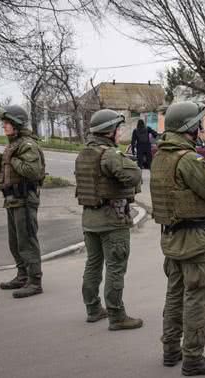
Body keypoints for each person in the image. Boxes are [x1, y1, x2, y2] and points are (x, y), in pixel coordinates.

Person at [150, 101, 205, 376]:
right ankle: (193, 358)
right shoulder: (187, 159)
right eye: (198, 124)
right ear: (189, 128)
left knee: (174, 296)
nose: (200, 129)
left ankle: (171, 350)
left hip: (171, 238)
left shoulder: (161, 156)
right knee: (196, 298)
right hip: (193, 240)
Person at [74, 109, 144, 330]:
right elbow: (134, 176)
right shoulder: (110, 154)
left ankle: (93, 309)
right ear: (110, 130)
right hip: (112, 219)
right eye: (118, 128)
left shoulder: (84, 153)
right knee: (115, 267)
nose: (119, 132)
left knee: (93, 264)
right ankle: (117, 316)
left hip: (89, 218)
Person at [0, 105, 46, 299]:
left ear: (17, 124)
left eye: (7, 123)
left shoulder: (26, 144)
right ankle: (22, 275)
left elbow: (33, 171)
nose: (4, 126)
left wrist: (11, 160)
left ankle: (35, 281)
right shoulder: (14, 143)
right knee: (15, 242)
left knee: (27, 240)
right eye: (4, 123)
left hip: (24, 199)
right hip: (12, 200)